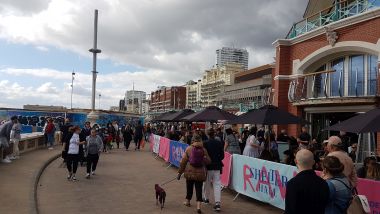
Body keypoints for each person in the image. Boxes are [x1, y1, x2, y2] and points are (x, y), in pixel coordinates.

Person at [284, 149, 329, 214]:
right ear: (313, 162)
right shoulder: (323, 183)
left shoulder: (292, 184)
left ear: (295, 161)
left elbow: (290, 210)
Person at [177, 134, 211, 214]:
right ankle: (198, 206)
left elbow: (183, 162)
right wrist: (204, 159)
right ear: (200, 140)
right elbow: (209, 161)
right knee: (199, 189)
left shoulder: (189, 148)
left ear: (193, 140)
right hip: (200, 173)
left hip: (189, 172)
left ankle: (188, 201)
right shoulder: (204, 149)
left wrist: (179, 172)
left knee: (189, 187)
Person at [202, 128, 224, 212]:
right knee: (217, 184)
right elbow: (222, 156)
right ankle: (217, 203)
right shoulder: (219, 143)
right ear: (214, 134)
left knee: (206, 183)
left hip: (208, 167)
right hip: (217, 166)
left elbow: (203, 155)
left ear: (208, 134)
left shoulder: (205, 143)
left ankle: (206, 198)